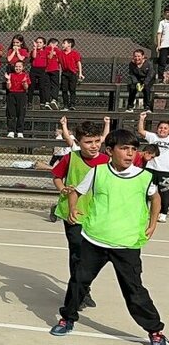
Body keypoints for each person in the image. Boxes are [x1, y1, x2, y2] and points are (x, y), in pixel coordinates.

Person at [49, 128, 166, 345]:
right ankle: (67, 319)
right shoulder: (98, 172)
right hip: (94, 239)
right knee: (79, 281)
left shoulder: (144, 177)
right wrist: (72, 209)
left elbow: (156, 198)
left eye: (133, 149)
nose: (130, 153)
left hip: (126, 243)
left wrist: (152, 223)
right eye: (124, 148)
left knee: (134, 290)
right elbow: (75, 192)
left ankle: (155, 331)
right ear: (110, 151)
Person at [51, 120, 108, 310]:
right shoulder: (70, 158)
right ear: (78, 142)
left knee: (91, 257)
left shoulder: (106, 161)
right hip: (72, 213)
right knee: (77, 253)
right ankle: (79, 293)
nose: (94, 146)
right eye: (88, 142)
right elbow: (56, 176)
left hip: (95, 215)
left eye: (97, 141)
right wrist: (62, 189)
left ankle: (83, 288)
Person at [137, 111, 169, 222]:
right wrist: (142, 118)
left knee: (164, 192)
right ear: (157, 129)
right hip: (150, 168)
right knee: (146, 190)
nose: (162, 130)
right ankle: (144, 210)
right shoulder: (153, 137)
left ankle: (163, 213)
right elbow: (141, 131)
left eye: (165, 128)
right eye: (160, 128)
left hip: (165, 170)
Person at [5, 61, 30, 137]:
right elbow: (8, 87)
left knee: (21, 113)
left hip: (21, 95)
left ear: (23, 67)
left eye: (19, 66)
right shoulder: (11, 75)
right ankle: (11, 131)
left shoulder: (25, 75)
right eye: (16, 66)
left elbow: (26, 87)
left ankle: (20, 131)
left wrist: (24, 82)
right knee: (11, 113)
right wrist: (8, 80)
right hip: (11, 95)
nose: (18, 68)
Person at [128, 49, 155, 113]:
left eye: (139, 56)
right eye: (135, 56)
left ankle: (147, 107)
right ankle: (130, 107)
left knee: (146, 88)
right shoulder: (131, 64)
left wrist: (145, 83)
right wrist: (136, 83)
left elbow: (150, 74)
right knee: (132, 87)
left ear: (143, 56)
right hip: (137, 79)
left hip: (148, 79)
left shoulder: (148, 63)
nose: (137, 58)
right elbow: (132, 74)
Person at [60, 39, 83, 110]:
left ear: (69, 45)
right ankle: (65, 105)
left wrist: (80, 73)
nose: (62, 44)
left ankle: (72, 104)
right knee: (64, 89)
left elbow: (78, 63)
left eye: (64, 43)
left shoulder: (75, 53)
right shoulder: (61, 53)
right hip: (64, 73)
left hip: (72, 73)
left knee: (72, 89)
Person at [29, 37, 49, 109]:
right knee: (31, 86)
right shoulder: (33, 51)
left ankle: (42, 102)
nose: (38, 44)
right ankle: (29, 102)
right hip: (34, 69)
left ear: (44, 44)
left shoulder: (45, 51)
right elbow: (34, 56)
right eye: (37, 42)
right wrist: (34, 48)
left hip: (42, 70)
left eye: (40, 42)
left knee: (42, 86)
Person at [43, 37, 62, 110]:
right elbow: (49, 57)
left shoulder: (58, 50)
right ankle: (47, 101)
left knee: (54, 85)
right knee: (47, 85)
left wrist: (56, 53)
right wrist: (52, 49)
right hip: (48, 70)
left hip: (55, 69)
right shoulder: (47, 49)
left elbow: (59, 59)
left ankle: (53, 100)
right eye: (55, 45)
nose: (56, 47)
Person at [158, 7, 169, 84]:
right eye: (167, 12)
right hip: (164, 45)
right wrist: (159, 45)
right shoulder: (162, 22)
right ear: (164, 13)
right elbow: (159, 34)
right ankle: (161, 79)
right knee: (162, 62)